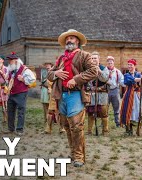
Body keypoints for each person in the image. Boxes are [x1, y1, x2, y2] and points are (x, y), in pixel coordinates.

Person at [47, 29, 98, 167]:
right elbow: (49, 74)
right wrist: (56, 73)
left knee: (76, 126)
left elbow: (94, 71)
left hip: (75, 94)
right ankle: (73, 153)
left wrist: (76, 79)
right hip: (61, 95)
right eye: (67, 38)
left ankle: (79, 157)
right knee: (67, 126)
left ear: (78, 41)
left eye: (72, 38)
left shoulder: (84, 55)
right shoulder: (61, 58)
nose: (69, 40)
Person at [120, 59, 142, 136]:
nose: (129, 66)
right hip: (128, 95)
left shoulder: (138, 74)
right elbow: (132, 80)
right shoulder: (126, 75)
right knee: (128, 111)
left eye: (131, 65)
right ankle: (128, 130)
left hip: (138, 95)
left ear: (134, 66)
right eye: (128, 65)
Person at [5, 52, 36, 136]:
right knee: (10, 111)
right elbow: (9, 80)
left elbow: (33, 79)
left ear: (16, 60)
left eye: (11, 60)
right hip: (12, 92)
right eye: (9, 60)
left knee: (21, 111)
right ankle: (11, 128)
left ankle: (19, 129)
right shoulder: (10, 69)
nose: (9, 61)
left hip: (21, 93)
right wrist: (7, 79)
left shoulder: (24, 69)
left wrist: (23, 79)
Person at [87, 51, 109, 136]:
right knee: (91, 113)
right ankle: (89, 131)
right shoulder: (88, 69)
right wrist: (90, 87)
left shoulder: (104, 68)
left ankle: (105, 131)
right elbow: (86, 79)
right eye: (92, 58)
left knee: (104, 113)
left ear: (99, 59)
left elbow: (105, 79)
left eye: (95, 58)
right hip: (92, 94)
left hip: (102, 94)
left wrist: (99, 71)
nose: (93, 60)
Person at [106, 56, 125, 127]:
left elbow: (121, 80)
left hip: (115, 90)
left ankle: (118, 123)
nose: (110, 63)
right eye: (108, 62)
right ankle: (104, 124)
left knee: (117, 108)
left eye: (111, 62)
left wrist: (126, 84)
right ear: (107, 63)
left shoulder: (117, 71)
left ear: (113, 63)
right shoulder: (104, 70)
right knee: (105, 108)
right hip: (106, 91)